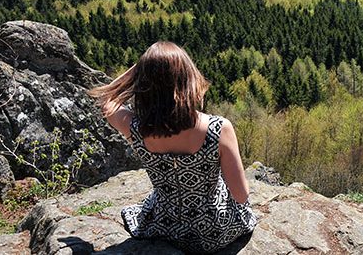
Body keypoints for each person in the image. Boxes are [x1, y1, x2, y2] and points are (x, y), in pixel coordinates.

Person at [89, 41, 257, 253]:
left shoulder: (136, 128)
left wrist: (140, 69)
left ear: (143, 85)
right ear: (189, 80)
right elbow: (241, 196)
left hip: (165, 227)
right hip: (215, 232)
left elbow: (107, 99)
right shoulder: (219, 128)